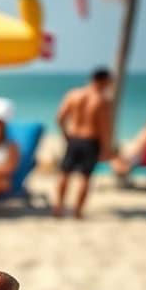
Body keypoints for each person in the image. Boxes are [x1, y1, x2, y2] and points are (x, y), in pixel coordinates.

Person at [54, 68, 113, 218]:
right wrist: (106, 148)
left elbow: (60, 117)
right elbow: (104, 127)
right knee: (85, 177)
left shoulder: (73, 94)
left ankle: (58, 208)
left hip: (73, 138)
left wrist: (65, 134)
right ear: (103, 80)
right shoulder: (101, 100)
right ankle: (77, 211)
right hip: (90, 140)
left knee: (64, 173)